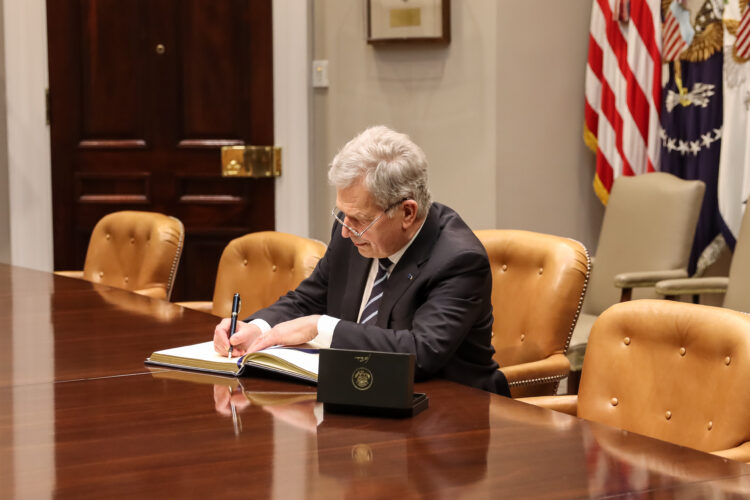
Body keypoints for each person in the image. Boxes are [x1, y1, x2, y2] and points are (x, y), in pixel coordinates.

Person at [213, 125, 510, 396]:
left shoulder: (458, 260)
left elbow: (421, 353)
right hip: (359, 395)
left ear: (407, 212)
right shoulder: (351, 234)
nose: (345, 229)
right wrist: (258, 328)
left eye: (359, 219)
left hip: (447, 413)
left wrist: (320, 328)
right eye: (343, 214)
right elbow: (309, 298)